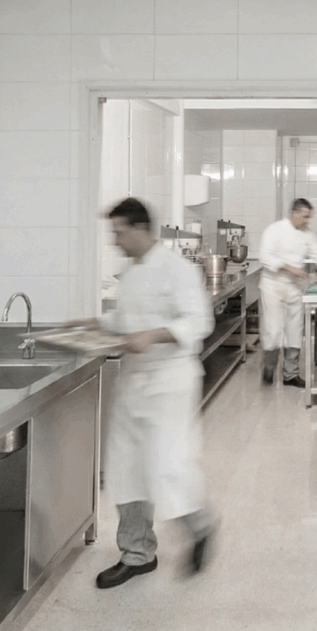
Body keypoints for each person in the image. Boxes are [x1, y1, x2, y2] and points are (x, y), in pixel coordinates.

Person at [64, 197, 216, 589]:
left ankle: (201, 525)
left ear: (140, 228)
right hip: (134, 380)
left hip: (169, 381)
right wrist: (93, 322)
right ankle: (137, 553)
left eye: (118, 233)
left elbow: (199, 321)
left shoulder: (178, 269)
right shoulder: (131, 273)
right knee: (125, 467)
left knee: (167, 465)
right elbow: (126, 318)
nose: (114, 241)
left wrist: (152, 336)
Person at [258, 198, 317, 388]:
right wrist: (289, 267)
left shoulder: (307, 234)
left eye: (309, 217)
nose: (307, 221)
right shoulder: (274, 230)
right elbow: (265, 256)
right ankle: (269, 367)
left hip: (294, 288)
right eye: (304, 217)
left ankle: (290, 375)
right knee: (273, 330)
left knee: (294, 331)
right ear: (293, 213)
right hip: (273, 286)